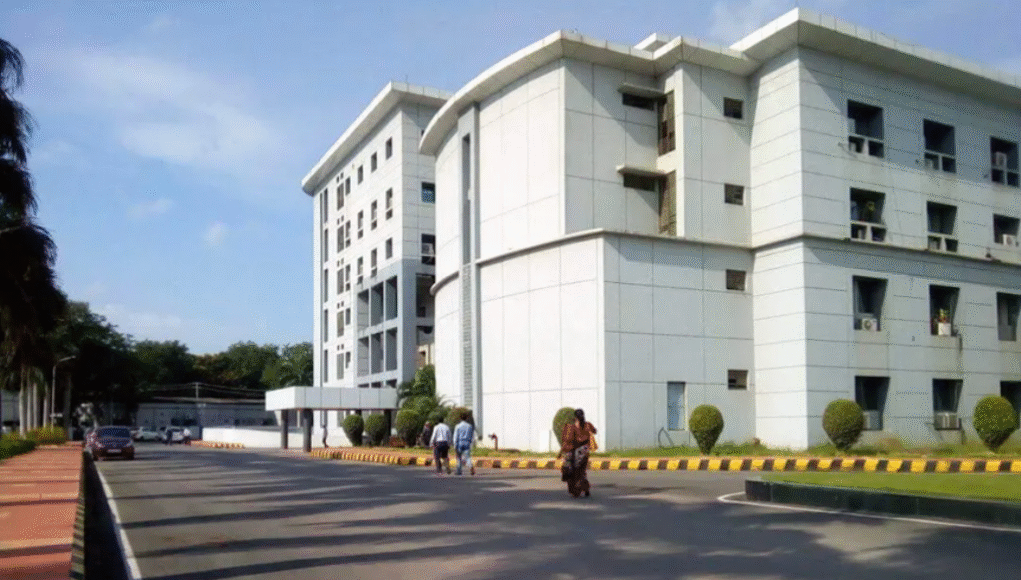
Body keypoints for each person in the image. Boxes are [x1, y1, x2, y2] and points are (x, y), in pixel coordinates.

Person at [559, 408, 597, 498]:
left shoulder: (571, 427)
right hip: (584, 451)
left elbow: (566, 440)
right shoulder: (587, 425)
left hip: (573, 451)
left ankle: (576, 490)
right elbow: (595, 431)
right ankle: (585, 489)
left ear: (575, 417)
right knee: (581, 471)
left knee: (571, 470)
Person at [453, 412, 475, 476]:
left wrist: (455, 444)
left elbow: (455, 436)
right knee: (467, 457)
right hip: (467, 443)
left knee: (459, 457)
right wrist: (471, 443)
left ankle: (459, 471)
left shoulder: (458, 426)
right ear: (466, 418)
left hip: (460, 443)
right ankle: (470, 466)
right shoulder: (469, 426)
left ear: (460, 418)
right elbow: (472, 435)